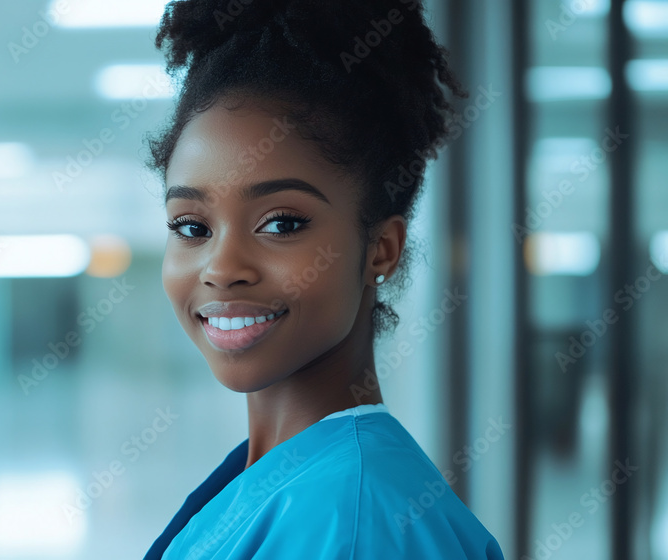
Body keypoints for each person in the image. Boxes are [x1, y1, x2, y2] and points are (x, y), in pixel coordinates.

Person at [142, 0, 505, 558]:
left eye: (282, 223)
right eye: (191, 226)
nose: (221, 268)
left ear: (380, 249)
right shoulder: (276, 474)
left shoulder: (357, 522)